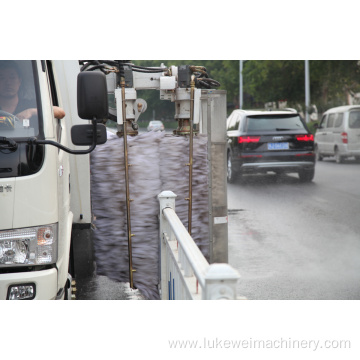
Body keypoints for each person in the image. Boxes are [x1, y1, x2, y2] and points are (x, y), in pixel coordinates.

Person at [0, 60, 65, 120]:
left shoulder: (31, 104)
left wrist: (31, 111)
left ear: (19, 81)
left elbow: (60, 112)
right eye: (2, 78)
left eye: (12, 78)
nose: (8, 83)